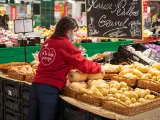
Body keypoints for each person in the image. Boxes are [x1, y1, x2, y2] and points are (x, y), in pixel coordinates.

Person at [27, 16, 103, 120]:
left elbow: (41, 57)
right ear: (68, 30)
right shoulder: (65, 44)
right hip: (49, 88)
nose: (73, 34)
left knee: (32, 117)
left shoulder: (48, 41)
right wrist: (98, 68)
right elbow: (82, 64)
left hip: (35, 85)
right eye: (73, 31)